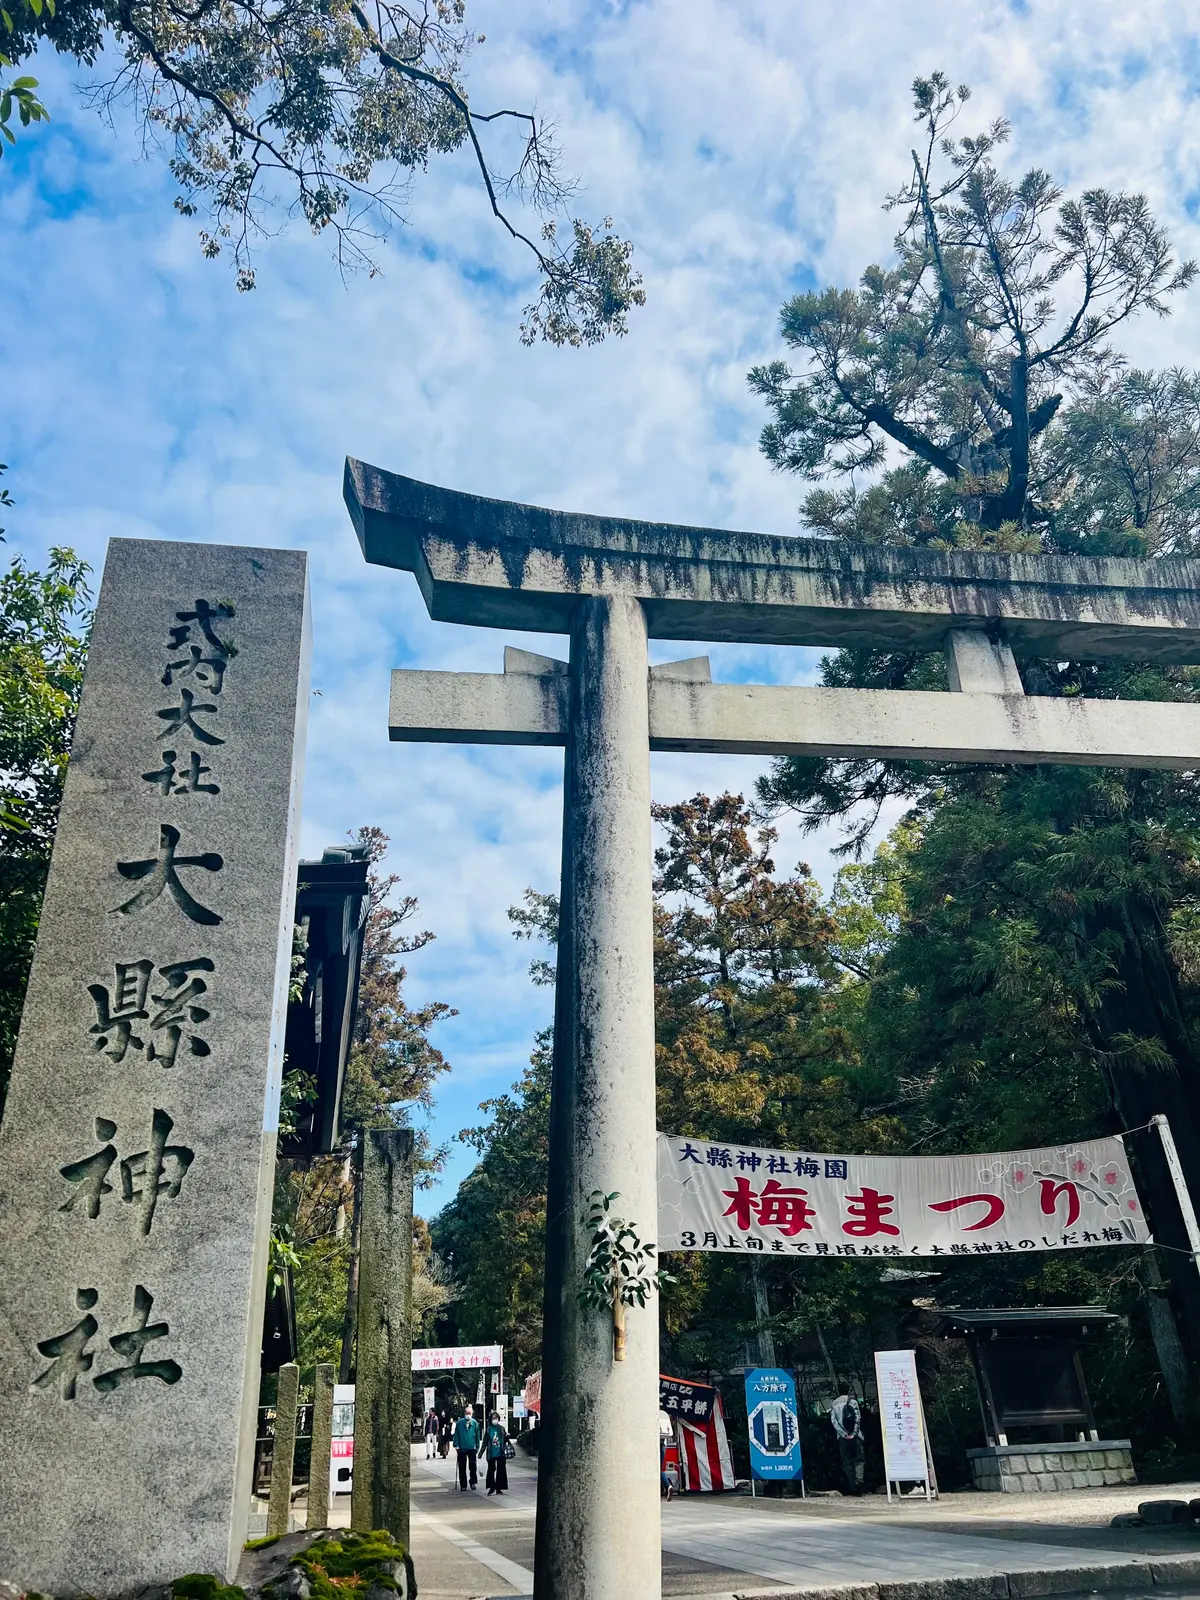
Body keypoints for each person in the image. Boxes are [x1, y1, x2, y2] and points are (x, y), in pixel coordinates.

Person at [830, 1391, 865, 1496]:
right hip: (856, 1437)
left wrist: (843, 1434)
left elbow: (834, 1422)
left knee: (847, 1462)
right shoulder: (853, 1402)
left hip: (842, 1438)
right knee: (859, 1459)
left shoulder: (834, 1404)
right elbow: (857, 1418)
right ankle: (858, 1481)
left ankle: (853, 1488)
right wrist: (853, 1434)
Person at [453, 1404, 482, 1490]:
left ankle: (472, 1482)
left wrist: (477, 1446)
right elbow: (456, 1435)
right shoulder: (460, 1423)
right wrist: (456, 1445)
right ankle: (463, 1485)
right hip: (462, 1448)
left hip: (471, 1448)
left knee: (473, 1466)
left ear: (472, 1413)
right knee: (462, 1466)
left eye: (469, 1413)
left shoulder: (475, 1423)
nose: (468, 1414)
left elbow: (477, 1436)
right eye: (467, 1413)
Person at [483, 1411, 509, 1496]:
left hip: (500, 1453)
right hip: (491, 1453)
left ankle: (499, 1488)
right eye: (493, 1418)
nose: (495, 1420)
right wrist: (480, 1453)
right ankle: (491, 1487)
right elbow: (485, 1442)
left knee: (501, 1471)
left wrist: (507, 1436)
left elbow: (505, 1438)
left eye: (496, 1418)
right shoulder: (488, 1430)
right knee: (491, 1470)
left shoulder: (501, 1428)